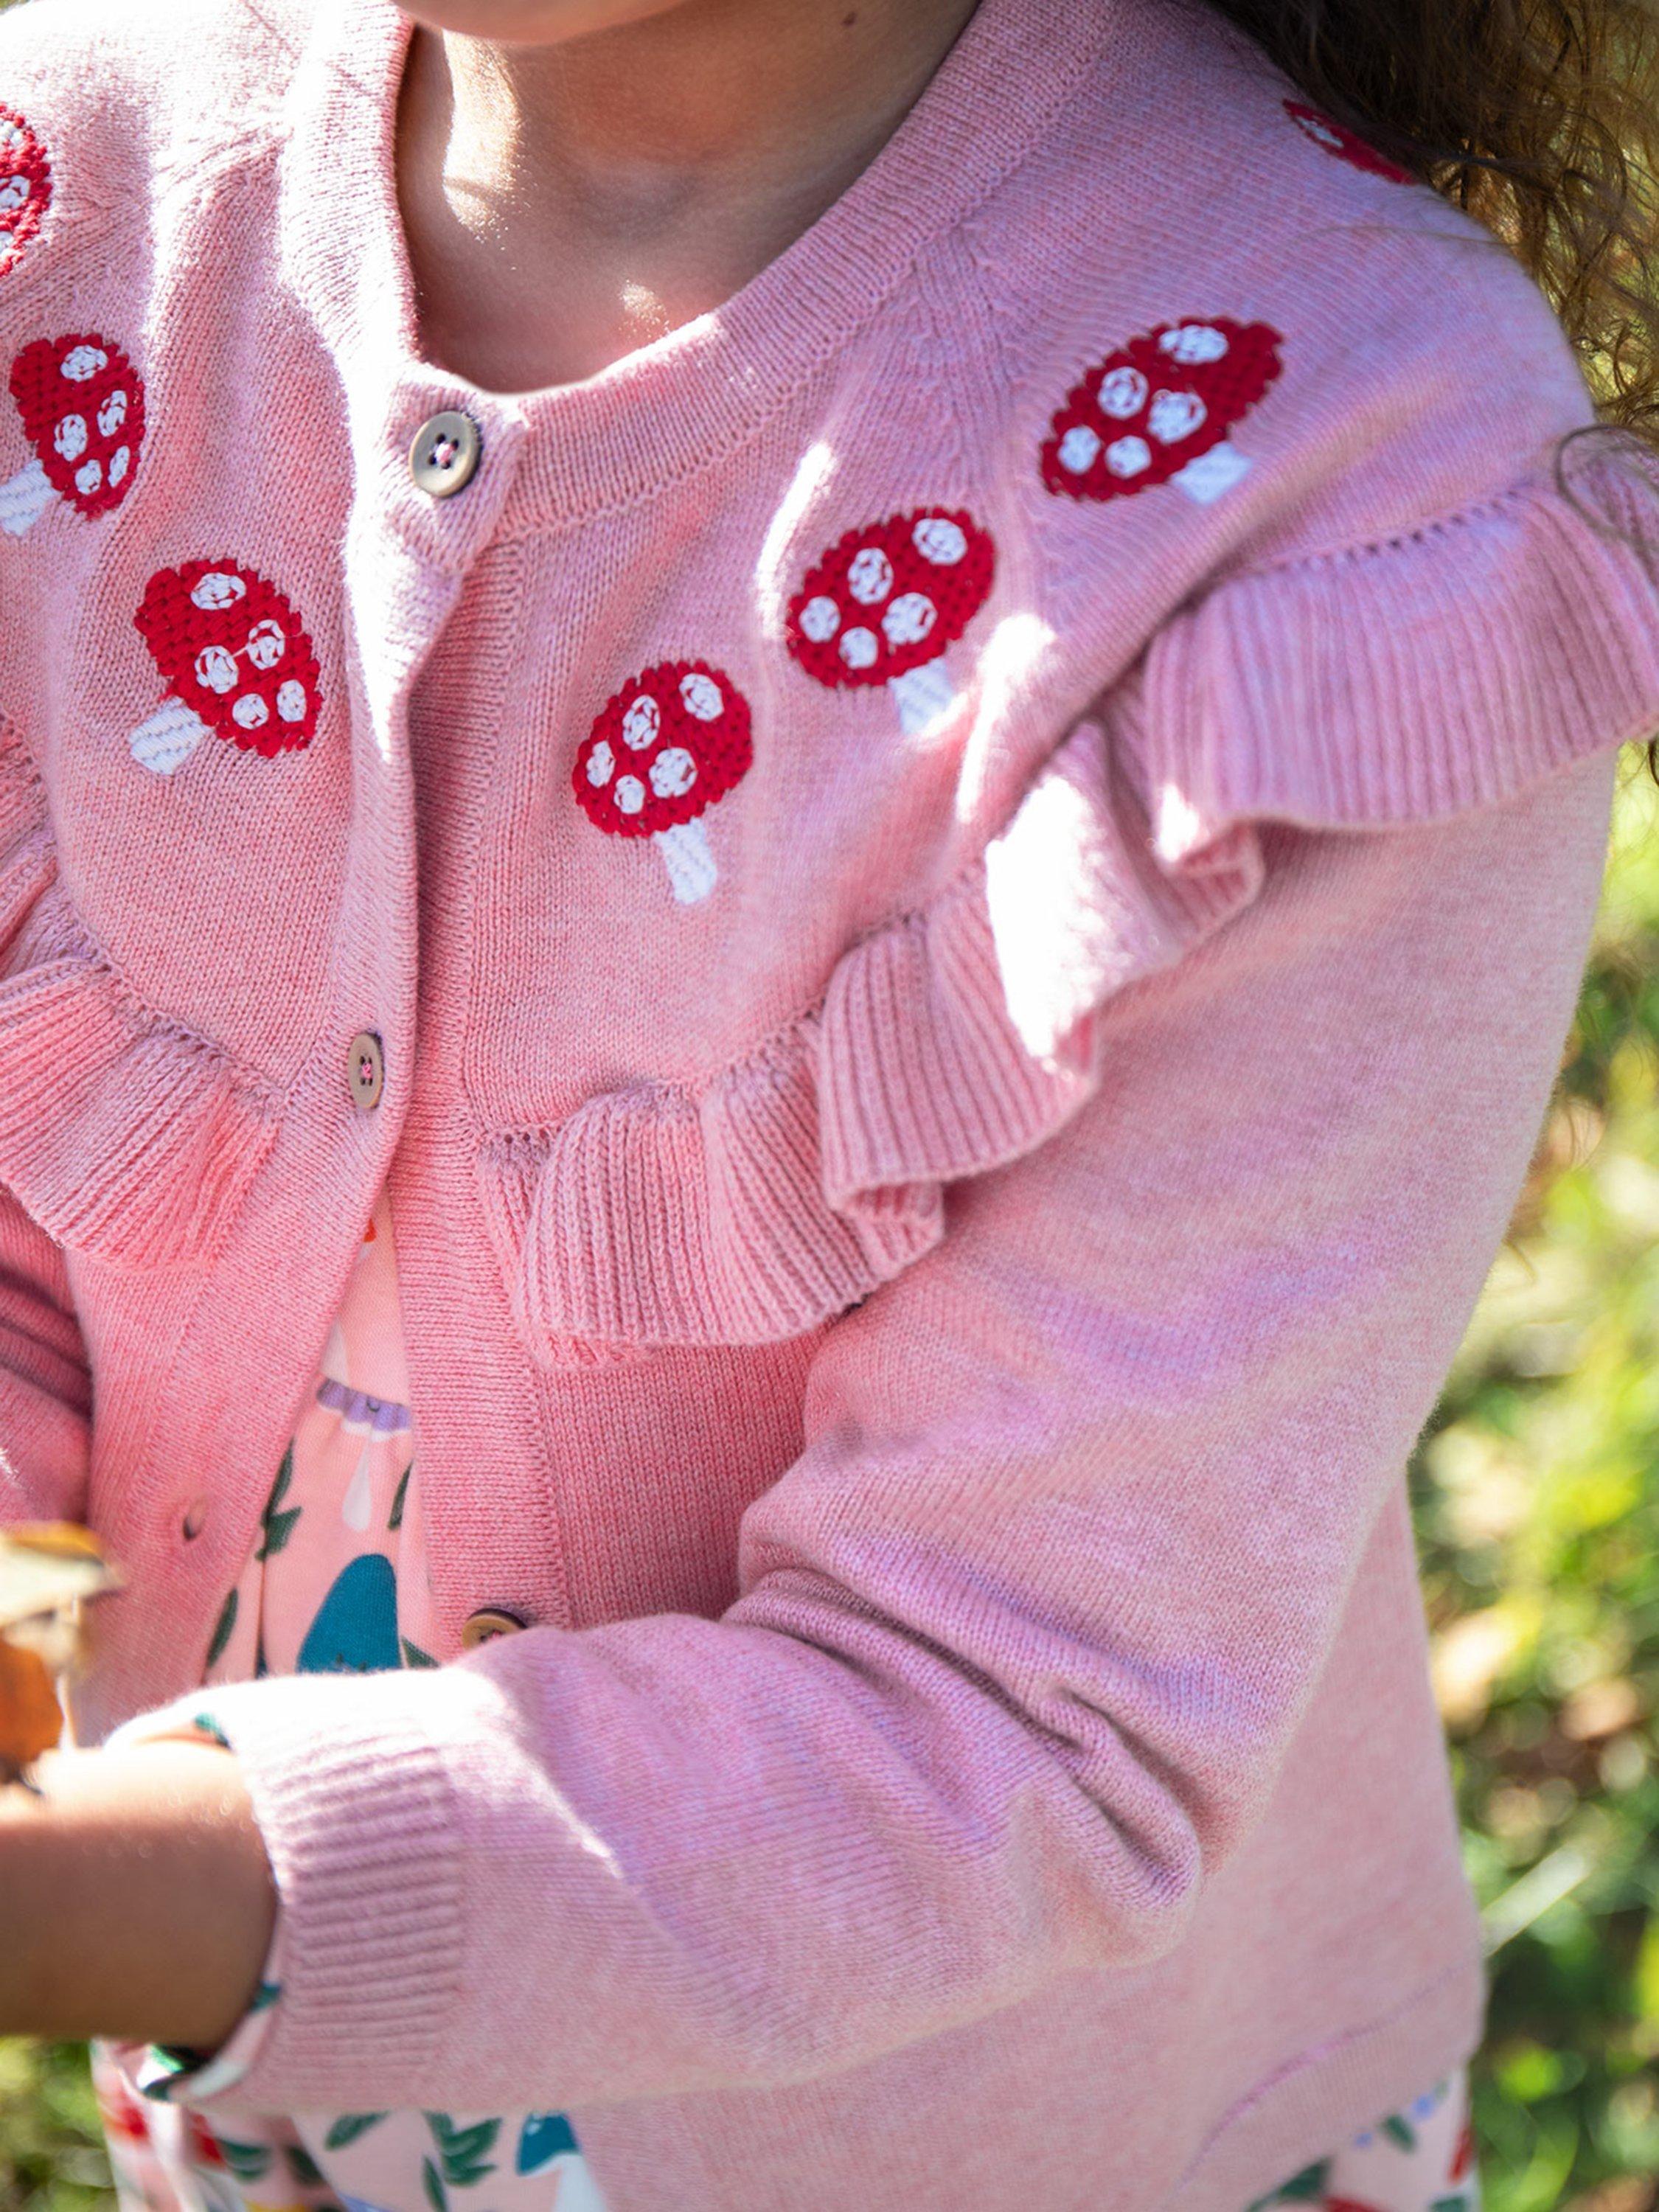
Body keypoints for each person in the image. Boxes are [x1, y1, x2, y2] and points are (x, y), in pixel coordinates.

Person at [0, 0, 1656, 2204]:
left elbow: (1011, 1729)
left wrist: (84, 1899)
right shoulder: (64, 205)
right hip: (254, 2096)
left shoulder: (1337, 475)